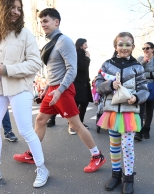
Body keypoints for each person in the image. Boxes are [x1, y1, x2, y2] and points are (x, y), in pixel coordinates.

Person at [13, 8, 106, 173]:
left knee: (76, 125)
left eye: (46, 21)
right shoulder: (50, 43)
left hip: (62, 90)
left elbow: (72, 70)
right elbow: (53, 72)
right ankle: (32, 154)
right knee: (40, 121)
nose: (43, 24)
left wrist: (60, 90)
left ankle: (97, 156)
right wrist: (48, 88)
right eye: (41, 22)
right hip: (53, 90)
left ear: (56, 22)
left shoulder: (64, 41)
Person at [0, 0, 49, 188]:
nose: (16, 12)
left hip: (19, 86)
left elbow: (35, 63)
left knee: (25, 130)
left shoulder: (25, 34)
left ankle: (42, 168)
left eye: (19, 8)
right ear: (1, 8)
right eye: (12, 7)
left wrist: (6, 69)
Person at [95, 32, 149, 194]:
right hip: (111, 112)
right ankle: (116, 175)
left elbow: (144, 89)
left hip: (129, 113)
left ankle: (128, 178)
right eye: (121, 44)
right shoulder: (106, 65)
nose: (124, 48)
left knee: (127, 146)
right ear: (115, 46)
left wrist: (137, 97)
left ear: (133, 47)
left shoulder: (137, 67)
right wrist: (110, 84)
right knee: (114, 146)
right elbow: (97, 84)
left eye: (128, 44)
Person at [47, 38, 93, 134]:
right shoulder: (77, 55)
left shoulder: (82, 54)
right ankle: (72, 125)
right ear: (80, 45)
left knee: (84, 104)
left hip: (84, 83)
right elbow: (82, 67)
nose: (87, 46)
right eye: (85, 44)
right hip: (78, 83)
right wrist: (88, 58)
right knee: (74, 104)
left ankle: (79, 123)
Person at [135, 42, 154, 141]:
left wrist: (145, 74)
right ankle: (139, 132)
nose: (145, 50)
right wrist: (143, 62)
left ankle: (146, 129)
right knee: (140, 111)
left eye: (147, 48)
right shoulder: (139, 59)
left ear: (152, 49)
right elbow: (135, 72)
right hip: (141, 88)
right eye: (143, 48)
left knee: (149, 111)